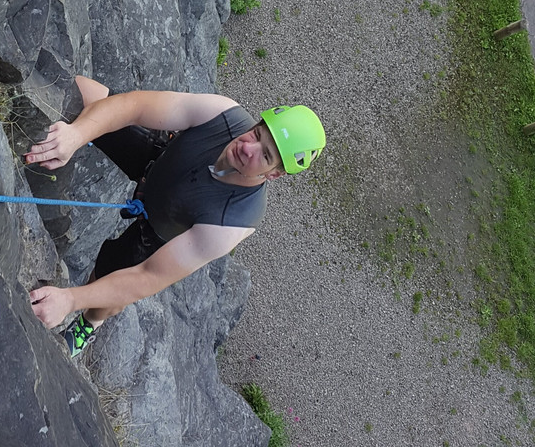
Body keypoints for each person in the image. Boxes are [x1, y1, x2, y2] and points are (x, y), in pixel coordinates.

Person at [25, 75, 325, 357]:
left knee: (106, 288)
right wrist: (77, 134)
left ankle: (89, 325)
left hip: (157, 231)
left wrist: (70, 299)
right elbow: (135, 105)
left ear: (273, 175)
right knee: (83, 91)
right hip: (160, 160)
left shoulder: (232, 221)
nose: (248, 148)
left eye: (266, 155)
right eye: (257, 134)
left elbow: (146, 277)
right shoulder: (222, 114)